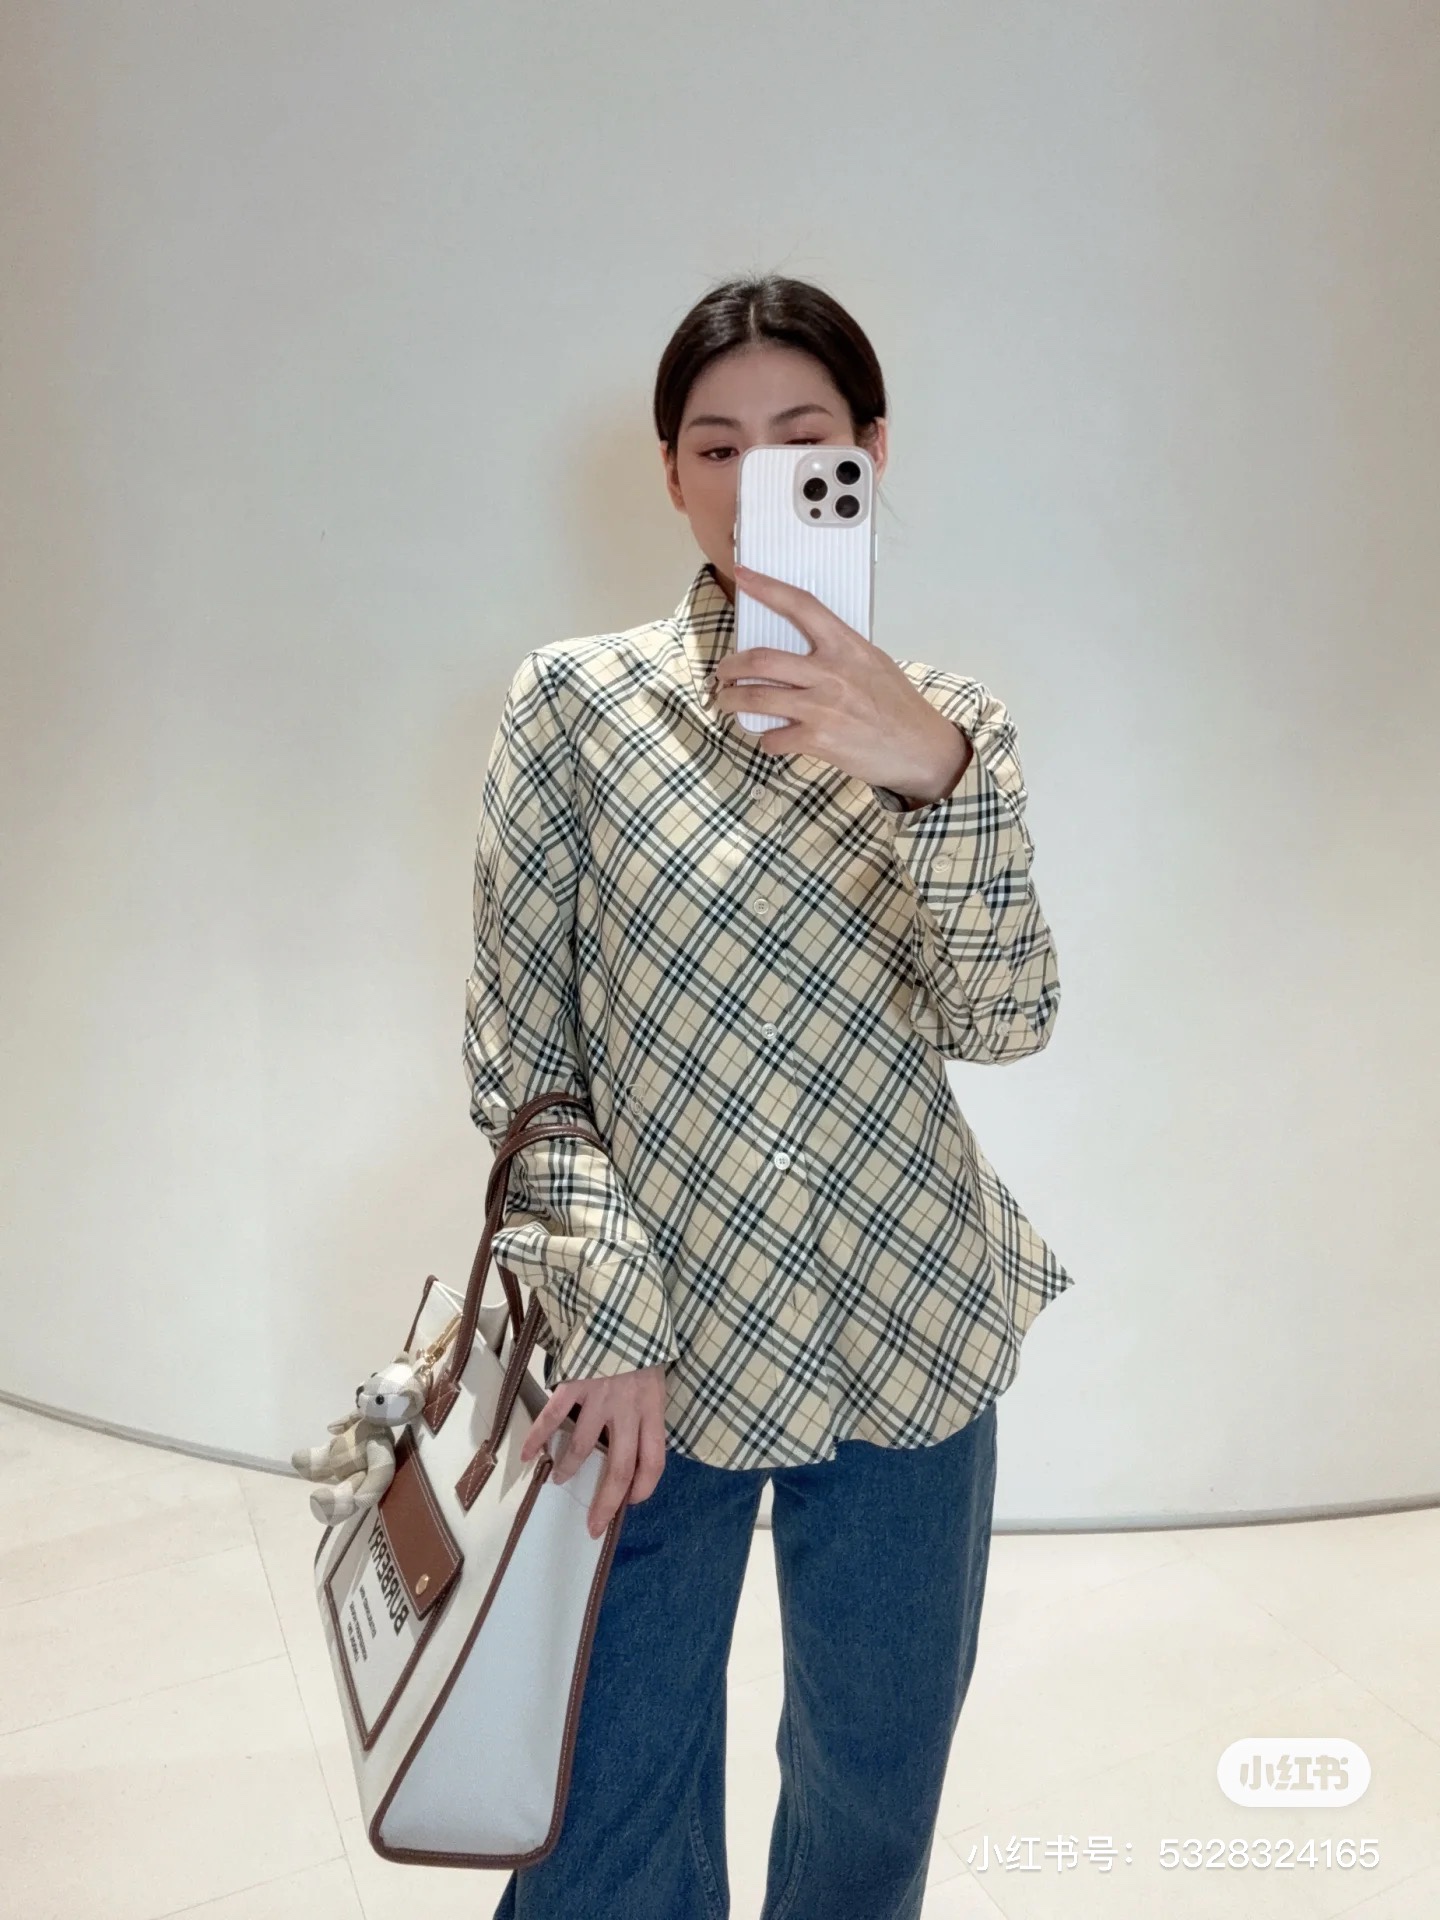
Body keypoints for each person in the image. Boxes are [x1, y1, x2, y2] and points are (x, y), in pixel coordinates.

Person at [466, 273, 1076, 1920]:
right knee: (601, 1820)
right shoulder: (575, 708)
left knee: (873, 1801)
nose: (754, 484)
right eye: (718, 446)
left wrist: (930, 775)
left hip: (907, 1318)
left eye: (801, 443)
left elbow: (1010, 1017)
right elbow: (523, 1059)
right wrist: (608, 1314)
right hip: (650, 1357)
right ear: (670, 471)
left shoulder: (954, 730)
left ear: (870, 453)